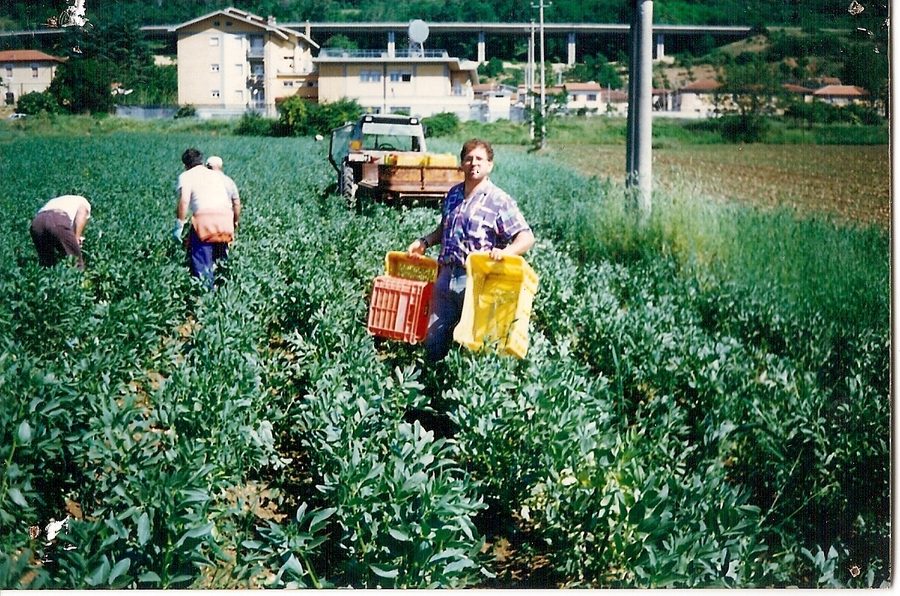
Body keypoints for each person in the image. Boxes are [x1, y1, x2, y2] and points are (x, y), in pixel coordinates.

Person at [407, 139, 535, 362]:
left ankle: (462, 393)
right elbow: (444, 227)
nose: (473, 163)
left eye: (479, 159)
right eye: (468, 158)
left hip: (478, 281)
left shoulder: (499, 200)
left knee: (471, 345)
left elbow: (526, 237)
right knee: (434, 339)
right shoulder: (453, 194)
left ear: (489, 165)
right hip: (445, 276)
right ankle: (432, 390)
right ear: (461, 164)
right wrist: (425, 242)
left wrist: (506, 252)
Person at [173, 148, 235, 289]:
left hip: (205, 222)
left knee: (201, 264)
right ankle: (224, 292)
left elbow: (184, 202)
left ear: (186, 165)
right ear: (201, 161)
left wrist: (179, 226)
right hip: (226, 220)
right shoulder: (216, 175)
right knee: (220, 261)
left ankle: (206, 298)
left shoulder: (186, 176)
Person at [29, 194, 92, 270]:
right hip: (57, 220)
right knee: (75, 261)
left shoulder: (57, 201)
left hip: (37, 223)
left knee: (47, 263)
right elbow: (81, 216)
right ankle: (77, 277)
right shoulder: (84, 203)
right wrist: (77, 238)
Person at [205, 155, 241, 231]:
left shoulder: (202, 182)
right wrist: (235, 221)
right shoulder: (229, 182)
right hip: (225, 220)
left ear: (207, 167)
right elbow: (236, 203)